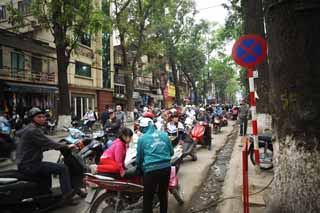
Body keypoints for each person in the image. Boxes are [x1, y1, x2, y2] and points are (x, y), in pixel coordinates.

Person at [16, 107, 81, 204]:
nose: (43, 118)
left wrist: (49, 146)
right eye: (39, 117)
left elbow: (41, 142)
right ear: (32, 118)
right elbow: (49, 142)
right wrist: (67, 146)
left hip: (25, 163)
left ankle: (46, 194)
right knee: (63, 168)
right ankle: (67, 198)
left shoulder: (28, 128)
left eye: (43, 116)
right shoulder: (33, 130)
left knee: (49, 169)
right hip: (31, 165)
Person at [136, 117, 174, 213]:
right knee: (163, 195)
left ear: (143, 128)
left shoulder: (142, 139)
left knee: (148, 198)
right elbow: (171, 152)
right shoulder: (165, 135)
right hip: (166, 169)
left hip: (150, 170)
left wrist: (139, 168)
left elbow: (139, 158)